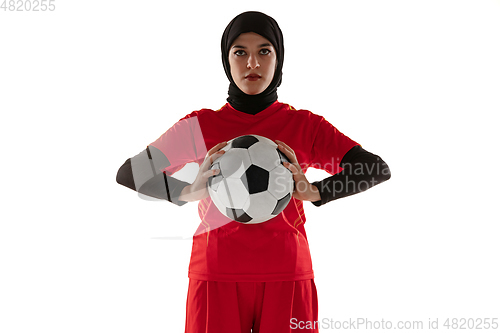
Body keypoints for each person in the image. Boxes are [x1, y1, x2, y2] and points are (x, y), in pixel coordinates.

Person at [116, 11, 391, 333]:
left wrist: (317, 190)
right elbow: (129, 172)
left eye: (264, 51)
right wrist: (186, 191)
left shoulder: (305, 125)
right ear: (226, 60)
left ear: (279, 59)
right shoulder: (200, 125)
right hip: (215, 272)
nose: (252, 64)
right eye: (240, 52)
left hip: (286, 272)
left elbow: (375, 168)